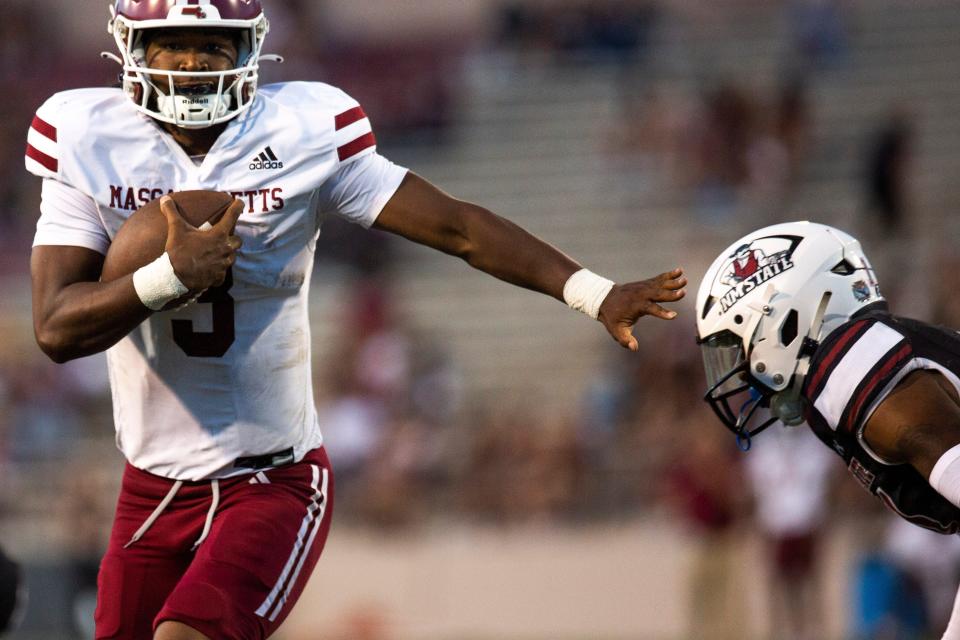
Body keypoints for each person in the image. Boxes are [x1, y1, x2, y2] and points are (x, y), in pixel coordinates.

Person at [24, 2, 687, 639]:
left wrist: (593, 292)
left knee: (187, 633)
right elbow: (56, 328)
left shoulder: (302, 129)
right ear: (132, 50)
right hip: (152, 484)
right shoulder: (89, 137)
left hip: (271, 477)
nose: (193, 62)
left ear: (249, 49)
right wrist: (168, 276)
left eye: (212, 44)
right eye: (172, 43)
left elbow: (457, 227)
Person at [695, 221, 960, 639]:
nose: (741, 372)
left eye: (739, 344)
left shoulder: (849, 368)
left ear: (782, 319)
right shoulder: (851, 363)